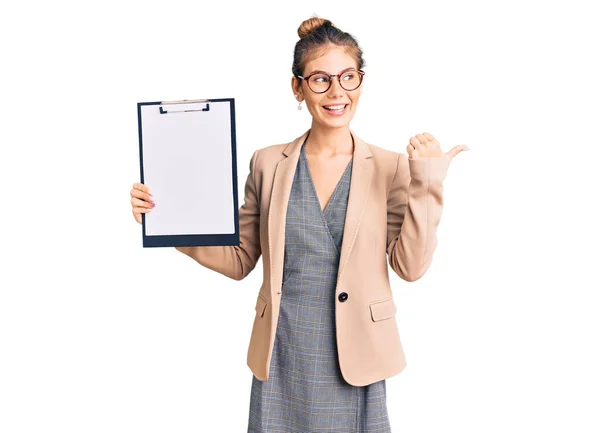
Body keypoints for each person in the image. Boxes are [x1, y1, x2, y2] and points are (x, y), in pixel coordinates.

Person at [130, 16, 468, 433]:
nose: (337, 91)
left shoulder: (390, 167)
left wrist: (427, 182)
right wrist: (169, 222)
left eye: (348, 77)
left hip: (356, 357)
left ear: (361, 81)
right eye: (320, 79)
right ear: (297, 87)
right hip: (283, 350)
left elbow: (411, 267)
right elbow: (239, 260)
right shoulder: (269, 163)